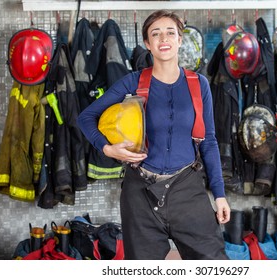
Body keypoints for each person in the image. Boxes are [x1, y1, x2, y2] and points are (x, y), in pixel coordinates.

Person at [77, 9, 230, 260]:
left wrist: (220, 195)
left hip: (187, 189)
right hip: (140, 193)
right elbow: (85, 117)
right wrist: (107, 148)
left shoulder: (199, 84)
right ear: (147, 44)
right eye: (155, 34)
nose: (164, 39)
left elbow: (209, 142)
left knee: (213, 264)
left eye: (170, 32)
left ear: (180, 39)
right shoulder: (132, 82)